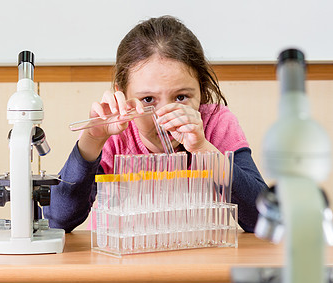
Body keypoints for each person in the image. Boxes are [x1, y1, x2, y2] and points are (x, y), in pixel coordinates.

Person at [43, 15, 267, 233]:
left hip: (194, 261)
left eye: (181, 97)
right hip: (119, 267)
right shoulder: (115, 133)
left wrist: (203, 149)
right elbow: (58, 220)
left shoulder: (215, 124)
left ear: (202, 89)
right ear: (122, 94)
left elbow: (262, 220)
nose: (163, 117)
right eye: (148, 100)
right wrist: (92, 139)